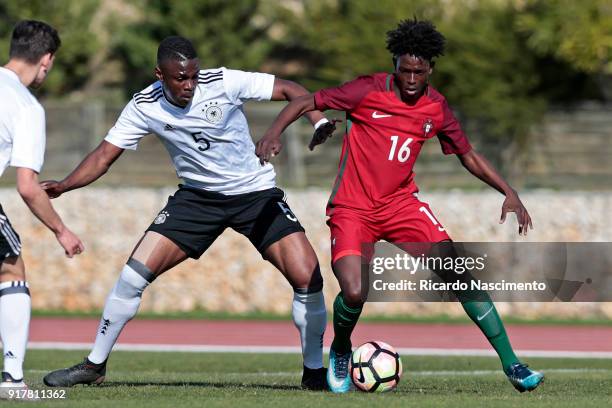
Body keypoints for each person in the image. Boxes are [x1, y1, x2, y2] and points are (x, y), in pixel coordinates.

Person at [256, 18, 543, 393]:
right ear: (395, 64)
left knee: (458, 271)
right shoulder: (365, 91)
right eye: (405, 70)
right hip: (352, 209)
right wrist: (273, 133)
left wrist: (508, 190)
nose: (411, 78)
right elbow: (306, 101)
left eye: (419, 72)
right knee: (355, 291)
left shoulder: (436, 108)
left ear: (430, 70)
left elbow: (467, 153)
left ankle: (514, 365)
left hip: (401, 207)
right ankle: (341, 347)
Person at [42, 36, 334, 390]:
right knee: (133, 276)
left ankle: (314, 373)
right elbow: (104, 156)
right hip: (196, 200)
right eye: (180, 78)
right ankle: (94, 365)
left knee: (308, 276)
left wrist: (317, 121)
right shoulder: (143, 105)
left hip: (255, 194)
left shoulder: (223, 82)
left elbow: (292, 89)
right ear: (159, 75)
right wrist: (66, 184)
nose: (190, 85)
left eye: (194, 76)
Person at [0, 20, 84, 400]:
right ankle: (12, 378)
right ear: (46, 60)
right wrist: (61, 231)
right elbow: (27, 187)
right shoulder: (25, 106)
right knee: (10, 267)